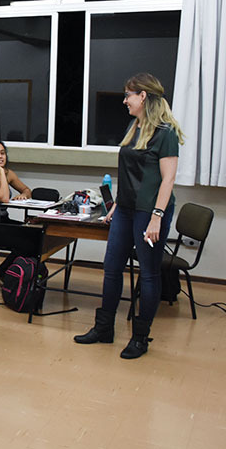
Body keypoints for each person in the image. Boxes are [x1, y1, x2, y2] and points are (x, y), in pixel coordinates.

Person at [74, 73, 183, 360]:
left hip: (151, 211)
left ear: (143, 96)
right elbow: (129, 173)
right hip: (125, 209)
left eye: (128, 96)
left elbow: (168, 180)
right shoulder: (134, 126)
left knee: (148, 273)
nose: (124, 101)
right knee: (111, 266)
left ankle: (140, 337)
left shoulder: (165, 132)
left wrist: (157, 217)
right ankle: (104, 328)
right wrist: (116, 203)